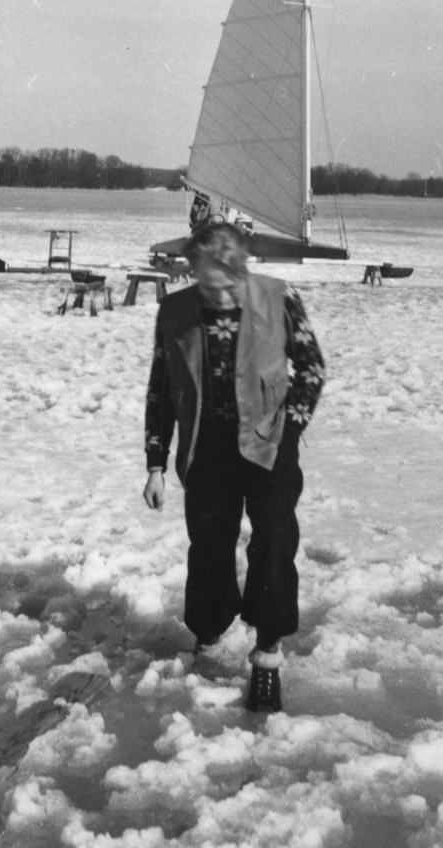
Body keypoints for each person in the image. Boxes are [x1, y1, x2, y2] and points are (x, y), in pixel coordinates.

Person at [142, 221, 325, 712]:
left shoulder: (279, 299)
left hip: (270, 446)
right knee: (209, 547)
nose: (217, 297)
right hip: (206, 449)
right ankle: (208, 634)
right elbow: (161, 389)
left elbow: (311, 369)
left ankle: (267, 654)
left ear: (241, 271)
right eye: (206, 286)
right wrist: (156, 463)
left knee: (275, 541)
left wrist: (290, 430)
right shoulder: (174, 312)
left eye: (225, 287)